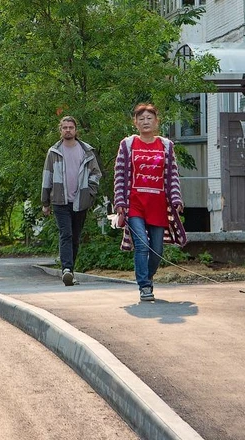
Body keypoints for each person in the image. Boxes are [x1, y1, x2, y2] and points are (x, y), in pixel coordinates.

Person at [113, 103, 186, 302]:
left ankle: (148, 276)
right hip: (135, 203)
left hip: (158, 204)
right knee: (142, 245)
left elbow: (172, 175)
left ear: (156, 121)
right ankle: (144, 286)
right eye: (141, 119)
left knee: (157, 249)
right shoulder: (128, 144)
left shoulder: (166, 145)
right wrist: (120, 201)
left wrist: (176, 198)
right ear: (135, 122)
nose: (146, 122)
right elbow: (120, 174)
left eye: (149, 118)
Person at [41, 116, 102, 286]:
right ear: (60, 130)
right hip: (60, 200)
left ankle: (71, 271)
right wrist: (45, 202)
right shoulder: (54, 152)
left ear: (76, 130)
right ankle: (66, 270)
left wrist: (90, 192)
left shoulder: (86, 151)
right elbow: (47, 176)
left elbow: (96, 173)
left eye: (71, 127)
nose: (68, 130)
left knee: (75, 237)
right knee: (66, 234)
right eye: (64, 127)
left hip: (80, 200)